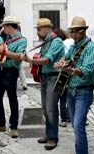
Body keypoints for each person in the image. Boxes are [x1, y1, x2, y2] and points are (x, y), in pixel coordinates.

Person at [54, 16, 94, 154]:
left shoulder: (91, 47)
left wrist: (71, 70)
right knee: (75, 125)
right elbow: (66, 58)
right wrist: (61, 63)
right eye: (71, 31)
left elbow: (87, 71)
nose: (72, 35)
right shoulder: (74, 46)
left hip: (83, 91)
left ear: (83, 31)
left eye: (74, 32)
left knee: (79, 125)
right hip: (71, 90)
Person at [23, 18, 65, 150]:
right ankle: (49, 134)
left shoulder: (56, 41)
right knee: (45, 109)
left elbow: (47, 60)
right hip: (45, 78)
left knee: (51, 109)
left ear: (47, 29)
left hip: (53, 77)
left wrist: (31, 60)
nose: (38, 32)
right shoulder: (46, 42)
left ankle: (53, 138)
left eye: (39, 29)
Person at [0, 16, 27, 138]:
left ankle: (13, 126)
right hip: (1, 68)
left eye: (4, 26)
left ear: (9, 26)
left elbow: (20, 56)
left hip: (11, 71)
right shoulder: (7, 38)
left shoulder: (22, 40)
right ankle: (0, 124)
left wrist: (4, 52)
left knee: (12, 98)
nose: (3, 29)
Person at [53, 28, 73, 127]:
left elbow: (64, 57)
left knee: (62, 97)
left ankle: (64, 119)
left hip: (63, 72)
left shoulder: (63, 43)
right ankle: (71, 116)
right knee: (71, 96)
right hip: (73, 72)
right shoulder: (75, 43)